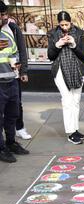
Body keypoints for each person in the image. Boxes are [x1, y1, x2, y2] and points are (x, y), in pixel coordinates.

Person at [47, 11, 84, 145]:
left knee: (76, 101)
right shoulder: (53, 34)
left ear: (71, 22)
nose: (64, 27)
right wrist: (57, 44)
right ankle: (70, 133)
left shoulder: (80, 33)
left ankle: (75, 129)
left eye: (67, 24)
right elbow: (50, 56)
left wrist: (73, 44)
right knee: (67, 100)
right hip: (60, 70)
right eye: (62, 25)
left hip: (77, 70)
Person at [0, 2, 31, 140]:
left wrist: (23, 70)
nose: (4, 17)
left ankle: (15, 134)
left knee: (15, 108)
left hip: (13, 76)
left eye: (5, 14)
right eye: (1, 15)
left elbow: (20, 51)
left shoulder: (12, 28)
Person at [0, 27, 29, 163]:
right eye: (1, 16)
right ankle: (1, 148)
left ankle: (11, 142)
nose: (3, 18)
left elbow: (15, 53)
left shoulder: (7, 33)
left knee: (13, 114)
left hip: (12, 80)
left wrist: (18, 66)